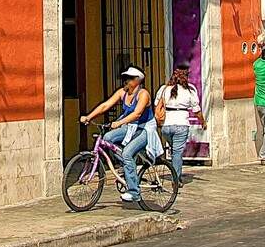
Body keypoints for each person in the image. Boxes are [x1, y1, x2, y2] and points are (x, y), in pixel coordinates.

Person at [81, 66, 151, 203]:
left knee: (127, 154)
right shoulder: (122, 93)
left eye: (130, 78)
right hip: (130, 127)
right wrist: (89, 117)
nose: (126, 80)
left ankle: (134, 192)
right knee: (107, 138)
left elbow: (137, 113)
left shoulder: (143, 94)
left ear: (138, 80)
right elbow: (105, 105)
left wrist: (119, 123)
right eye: (126, 77)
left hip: (144, 129)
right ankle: (127, 166)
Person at [153, 64, 201, 185]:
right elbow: (197, 110)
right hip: (181, 125)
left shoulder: (164, 89)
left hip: (166, 126)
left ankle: (175, 172)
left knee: (175, 151)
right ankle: (176, 178)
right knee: (177, 153)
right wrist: (203, 122)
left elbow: (156, 105)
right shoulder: (190, 90)